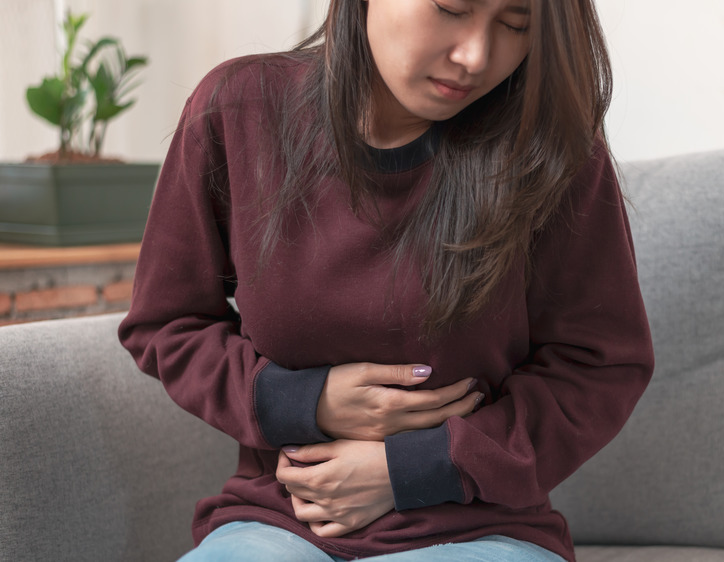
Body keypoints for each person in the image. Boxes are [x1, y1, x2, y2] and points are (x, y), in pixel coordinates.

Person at [118, 0, 654, 560]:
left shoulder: (550, 152)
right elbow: (167, 324)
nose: (475, 55)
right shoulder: (238, 110)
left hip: (480, 530)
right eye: (451, 8)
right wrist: (302, 402)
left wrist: (417, 469)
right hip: (279, 521)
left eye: (516, 25)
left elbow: (600, 367)